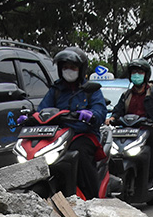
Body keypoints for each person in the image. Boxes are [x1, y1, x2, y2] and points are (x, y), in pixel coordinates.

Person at [37, 46, 107, 199]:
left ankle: (91, 199)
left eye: (73, 67)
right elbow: (42, 110)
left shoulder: (91, 90)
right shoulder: (55, 89)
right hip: (57, 136)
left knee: (79, 153)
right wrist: (30, 117)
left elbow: (100, 112)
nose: (69, 70)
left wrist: (91, 115)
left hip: (83, 135)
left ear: (80, 69)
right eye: (66, 67)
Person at [109, 59, 153, 188]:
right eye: (134, 72)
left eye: (140, 72)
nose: (136, 75)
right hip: (128, 131)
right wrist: (112, 119)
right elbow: (117, 111)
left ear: (146, 75)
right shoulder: (126, 95)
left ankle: (151, 179)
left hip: (148, 130)